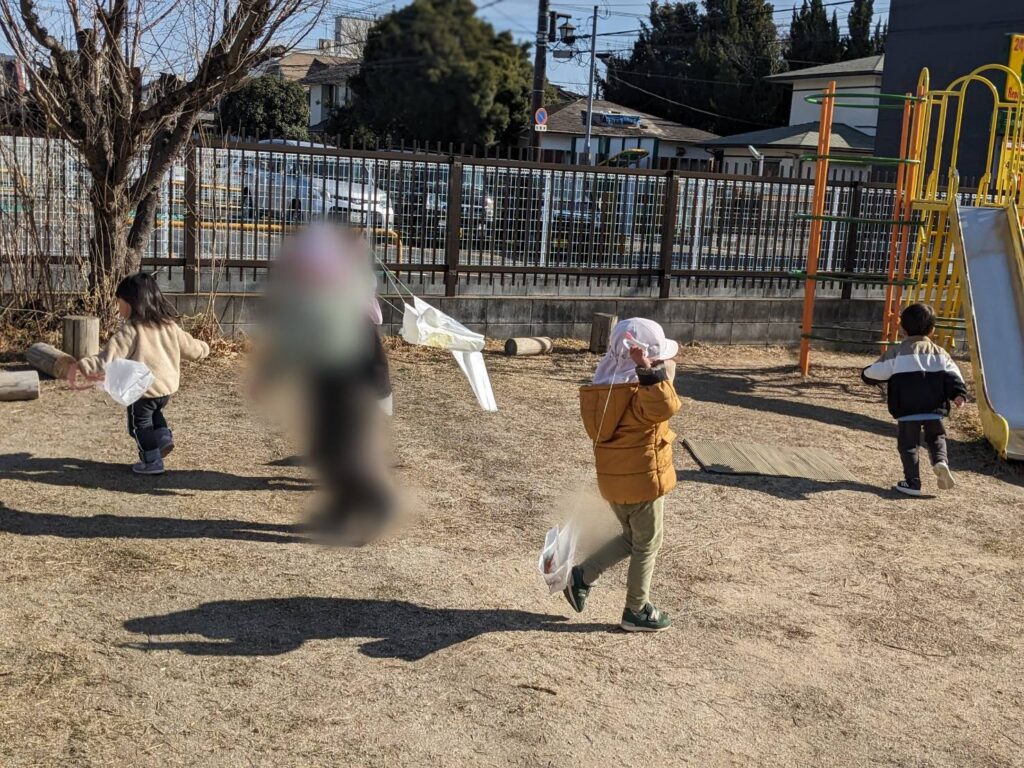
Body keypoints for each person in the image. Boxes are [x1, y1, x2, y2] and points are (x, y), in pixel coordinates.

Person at [564, 318, 682, 632]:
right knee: (648, 543)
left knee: (633, 537)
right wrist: (647, 370)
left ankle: (582, 576)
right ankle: (636, 609)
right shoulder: (641, 393)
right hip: (642, 481)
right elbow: (666, 406)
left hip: (615, 482)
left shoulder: (604, 387)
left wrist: (646, 368)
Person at [67, 272, 210, 475]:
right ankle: (163, 437)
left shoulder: (132, 330)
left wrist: (84, 365)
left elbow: (108, 358)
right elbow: (192, 348)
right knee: (155, 413)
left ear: (131, 303)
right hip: (165, 390)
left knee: (138, 426)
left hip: (142, 391)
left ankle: (151, 460)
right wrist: (205, 348)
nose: (118, 307)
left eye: (119, 302)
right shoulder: (169, 326)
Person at [862, 302, 967, 496]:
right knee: (936, 437)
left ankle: (912, 483)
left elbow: (876, 372)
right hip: (933, 409)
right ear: (932, 329)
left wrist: (866, 374)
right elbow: (953, 375)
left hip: (907, 409)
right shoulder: (940, 353)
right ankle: (940, 461)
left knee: (909, 445)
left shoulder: (897, 352)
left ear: (903, 329)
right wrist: (958, 394)